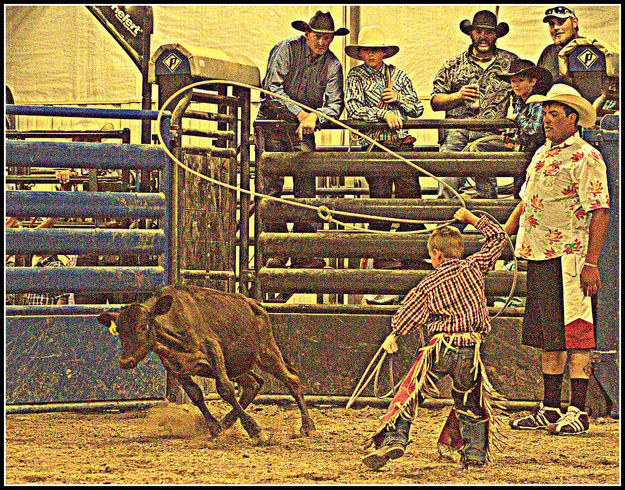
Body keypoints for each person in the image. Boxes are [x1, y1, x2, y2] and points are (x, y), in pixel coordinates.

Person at [361, 207, 508, 470]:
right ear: (459, 251)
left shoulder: (428, 283)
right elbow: (499, 237)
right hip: (471, 350)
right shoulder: (474, 268)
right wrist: (471, 218)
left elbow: (406, 317)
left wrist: (395, 333)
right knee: (469, 400)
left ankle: (395, 438)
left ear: (437, 254)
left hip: (440, 348)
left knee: (409, 393)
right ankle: (474, 454)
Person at [505, 84, 610, 435]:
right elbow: (525, 200)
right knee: (549, 333)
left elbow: (599, 210)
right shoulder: (541, 154)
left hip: (570, 257)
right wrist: (506, 231)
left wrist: (591, 262)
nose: (547, 120)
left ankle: (577, 409)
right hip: (539, 253)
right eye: (545, 113)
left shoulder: (585, 156)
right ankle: (550, 406)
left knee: (575, 332)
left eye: (554, 114)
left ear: (573, 118)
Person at [256, 11, 348, 269]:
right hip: (273, 123)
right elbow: (271, 91)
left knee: (306, 189)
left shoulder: (333, 65)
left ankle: (302, 251)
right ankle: (276, 248)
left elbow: (336, 104)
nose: (322, 42)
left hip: (303, 129)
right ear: (307, 34)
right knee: (270, 188)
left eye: (327, 38)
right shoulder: (286, 49)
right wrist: (302, 114)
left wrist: (314, 119)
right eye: (318, 36)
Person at [345, 25, 426, 299]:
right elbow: (354, 108)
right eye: (367, 50)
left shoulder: (398, 76)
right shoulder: (355, 76)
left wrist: (398, 99)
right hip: (374, 145)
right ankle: (383, 256)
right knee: (379, 196)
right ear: (361, 53)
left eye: (376, 50)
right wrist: (383, 115)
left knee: (410, 198)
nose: (371, 55)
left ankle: (411, 254)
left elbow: (417, 108)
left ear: (383, 52)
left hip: (401, 145)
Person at [431, 10, 519, 199]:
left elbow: (523, 97)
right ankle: (446, 226)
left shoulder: (511, 63)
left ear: (496, 35)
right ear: (471, 34)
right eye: (478, 31)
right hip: (457, 131)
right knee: (448, 184)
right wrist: (457, 96)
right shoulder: (453, 65)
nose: (483, 37)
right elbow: (435, 101)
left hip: (493, 134)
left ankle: (487, 224)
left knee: (486, 194)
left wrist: (514, 123)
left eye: (489, 32)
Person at [537, 6, 582, 81]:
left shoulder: (590, 50)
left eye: (561, 22)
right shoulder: (548, 52)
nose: (555, 28)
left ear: (574, 22)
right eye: (551, 24)